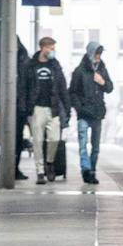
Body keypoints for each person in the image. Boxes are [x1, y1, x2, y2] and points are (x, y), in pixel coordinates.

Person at [0, 37, 31, 179]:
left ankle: (14, 168)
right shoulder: (0, 59)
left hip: (21, 104)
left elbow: (30, 82)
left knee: (17, 137)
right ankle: (6, 168)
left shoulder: (24, 60)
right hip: (5, 103)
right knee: (7, 135)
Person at [27, 35, 70, 183]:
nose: (53, 51)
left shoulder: (55, 65)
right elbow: (25, 86)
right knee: (37, 141)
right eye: (51, 48)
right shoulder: (31, 65)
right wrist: (26, 107)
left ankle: (50, 162)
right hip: (37, 108)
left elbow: (62, 86)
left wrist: (67, 107)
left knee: (54, 139)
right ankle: (40, 171)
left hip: (53, 107)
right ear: (43, 48)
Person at [69, 42, 113, 185]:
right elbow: (72, 92)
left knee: (96, 147)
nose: (98, 56)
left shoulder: (102, 69)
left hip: (97, 113)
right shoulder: (79, 71)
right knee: (83, 145)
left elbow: (110, 88)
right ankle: (86, 170)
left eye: (100, 54)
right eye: (96, 53)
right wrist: (79, 108)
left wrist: (102, 81)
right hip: (84, 114)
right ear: (90, 53)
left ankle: (92, 171)